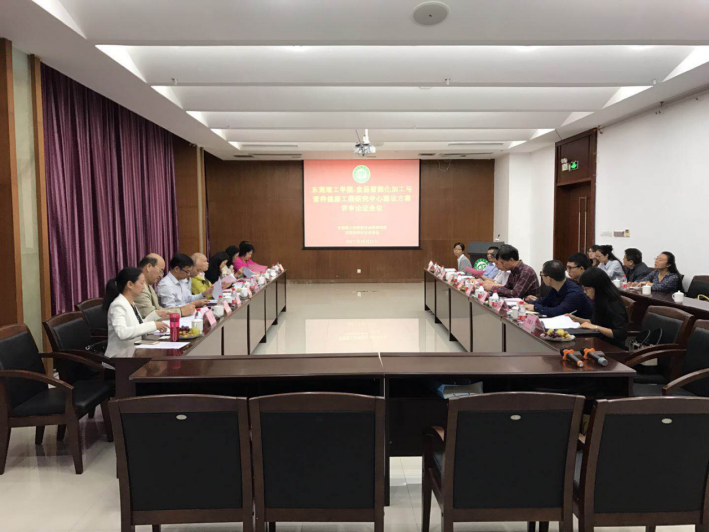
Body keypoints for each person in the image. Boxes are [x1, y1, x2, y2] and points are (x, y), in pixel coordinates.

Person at [103, 267, 169, 358]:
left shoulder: (131, 303)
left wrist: (155, 315)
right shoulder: (118, 305)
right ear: (130, 284)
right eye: (141, 283)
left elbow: (137, 325)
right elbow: (122, 333)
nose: (143, 287)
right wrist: (153, 325)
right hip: (118, 358)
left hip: (132, 354)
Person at [568, 267, 628, 348]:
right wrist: (576, 319)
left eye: (586, 289)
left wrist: (596, 327)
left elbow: (621, 334)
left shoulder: (614, 303)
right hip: (598, 341)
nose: (585, 292)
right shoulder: (600, 300)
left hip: (612, 347)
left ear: (597, 287)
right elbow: (595, 322)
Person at [524, 260, 593, 318]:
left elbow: (558, 312)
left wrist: (535, 307)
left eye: (542, 274)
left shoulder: (574, 293)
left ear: (549, 278)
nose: (541, 277)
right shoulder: (557, 287)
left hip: (582, 327)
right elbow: (544, 301)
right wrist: (527, 304)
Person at [134, 254, 194, 319]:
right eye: (161, 271)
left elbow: (158, 309)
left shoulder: (148, 286)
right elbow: (149, 314)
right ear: (149, 267)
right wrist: (180, 312)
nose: (161, 275)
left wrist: (180, 309)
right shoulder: (139, 287)